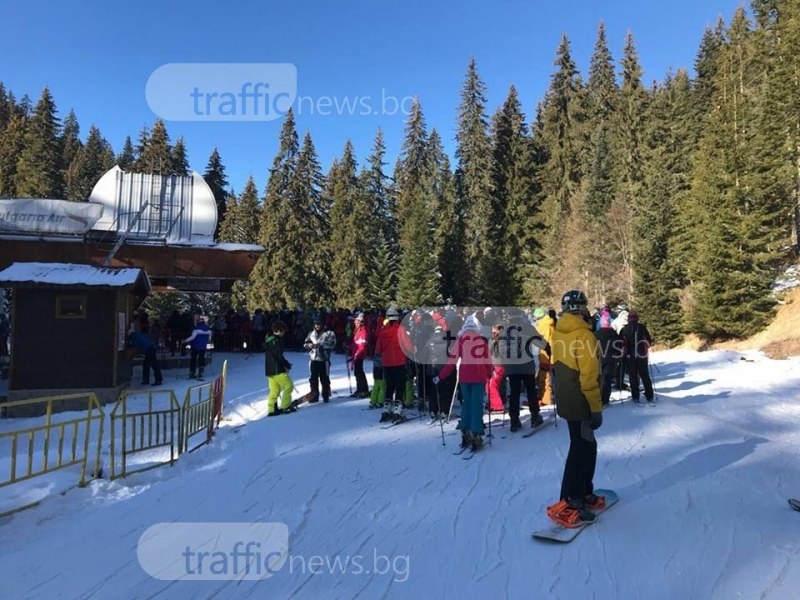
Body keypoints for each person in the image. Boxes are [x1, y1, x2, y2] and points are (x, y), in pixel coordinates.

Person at [547, 290, 604, 526]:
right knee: (582, 448)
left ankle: (583, 492)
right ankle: (573, 498)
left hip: (567, 397)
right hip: (580, 400)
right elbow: (589, 377)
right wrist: (596, 408)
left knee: (584, 445)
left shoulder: (559, 332)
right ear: (581, 309)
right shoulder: (584, 336)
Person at [434, 313, 494, 451]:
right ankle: (476, 432)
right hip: (479, 377)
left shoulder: (460, 340)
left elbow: (451, 361)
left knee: (466, 404)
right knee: (477, 405)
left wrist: (441, 376)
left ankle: (465, 430)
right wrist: (490, 373)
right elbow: (487, 361)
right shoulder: (481, 340)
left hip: (464, 377)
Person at [502, 307, 546, 431]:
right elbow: (540, 342)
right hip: (526, 365)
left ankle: (514, 420)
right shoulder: (527, 328)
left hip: (511, 366)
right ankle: (535, 416)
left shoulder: (505, 330)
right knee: (531, 391)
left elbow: (500, 348)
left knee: (514, 393)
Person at [375, 307, 410, 422]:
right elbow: (408, 346)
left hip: (387, 363)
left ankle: (386, 409)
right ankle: (397, 410)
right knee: (400, 386)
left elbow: (378, 350)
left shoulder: (382, 331)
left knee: (389, 386)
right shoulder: (400, 330)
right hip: (399, 362)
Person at [620, 309, 654, 405]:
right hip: (642, 355)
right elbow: (649, 341)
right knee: (645, 375)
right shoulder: (642, 328)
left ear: (628, 318)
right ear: (637, 318)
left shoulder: (624, 329)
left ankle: (635, 397)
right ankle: (649, 395)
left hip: (630, 356)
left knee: (633, 376)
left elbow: (620, 343)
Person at [264, 320, 296, 416]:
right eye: (283, 331)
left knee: (274, 390)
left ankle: (272, 409)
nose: (284, 333)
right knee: (289, 386)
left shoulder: (269, 341)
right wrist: (287, 365)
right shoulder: (277, 341)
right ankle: (285, 406)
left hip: (269, 370)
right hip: (278, 369)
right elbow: (278, 356)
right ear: (279, 330)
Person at [304, 316, 337, 403]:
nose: (317, 326)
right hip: (313, 359)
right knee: (313, 378)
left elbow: (333, 344)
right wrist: (310, 346)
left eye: (319, 324)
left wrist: (322, 346)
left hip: (324, 359)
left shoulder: (329, 333)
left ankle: (325, 395)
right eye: (316, 324)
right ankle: (314, 395)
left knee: (325, 378)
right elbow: (305, 343)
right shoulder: (311, 333)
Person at [595, 313, 621, 406]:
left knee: (599, 379)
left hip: (599, 359)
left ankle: (599, 399)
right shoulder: (614, 333)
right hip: (611, 359)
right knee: (608, 380)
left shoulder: (596, 334)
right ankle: (605, 400)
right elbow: (619, 345)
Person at [534, 307, 556, 407]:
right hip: (555, 351)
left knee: (545, 376)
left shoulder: (541, 325)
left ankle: (546, 399)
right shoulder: (552, 322)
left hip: (545, 353)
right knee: (549, 376)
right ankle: (546, 396)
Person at [348, 312, 369, 398]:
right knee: (357, 372)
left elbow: (362, 344)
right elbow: (355, 343)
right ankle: (360, 389)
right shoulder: (357, 330)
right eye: (355, 322)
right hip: (356, 354)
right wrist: (348, 345)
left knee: (359, 372)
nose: (355, 324)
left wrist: (357, 353)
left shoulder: (363, 331)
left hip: (359, 354)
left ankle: (363, 390)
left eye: (357, 322)